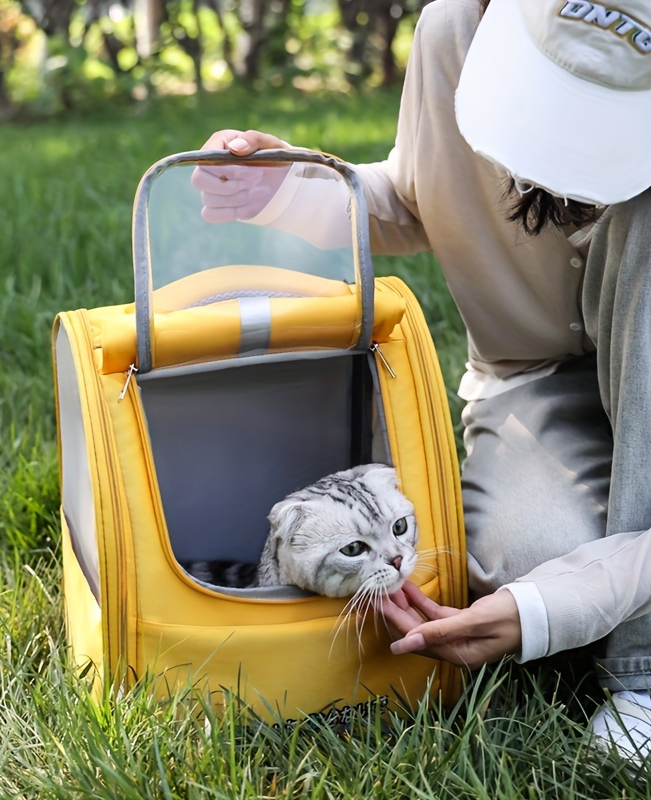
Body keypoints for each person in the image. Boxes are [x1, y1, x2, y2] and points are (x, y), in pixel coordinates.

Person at [195, 0, 651, 764]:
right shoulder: (454, 34)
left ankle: (641, 674)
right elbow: (418, 198)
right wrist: (286, 187)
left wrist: (554, 614)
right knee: (531, 560)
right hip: (533, 381)